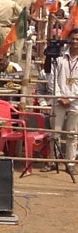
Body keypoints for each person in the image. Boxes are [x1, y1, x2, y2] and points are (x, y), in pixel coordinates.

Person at [49, 32, 78, 180]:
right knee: (56, 132)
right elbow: (52, 80)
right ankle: (54, 161)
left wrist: (71, 99)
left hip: (76, 101)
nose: (74, 42)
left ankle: (70, 162)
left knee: (73, 133)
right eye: (72, 39)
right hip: (58, 100)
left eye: (77, 39)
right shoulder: (59, 58)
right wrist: (60, 97)